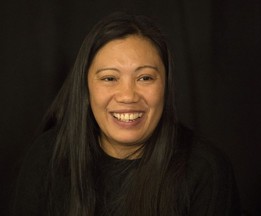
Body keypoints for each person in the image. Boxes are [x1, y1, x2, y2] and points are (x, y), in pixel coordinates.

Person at [11, 12, 241, 216]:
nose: (128, 96)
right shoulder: (48, 156)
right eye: (109, 78)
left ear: (166, 86)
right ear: (85, 87)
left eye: (145, 78)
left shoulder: (206, 171)